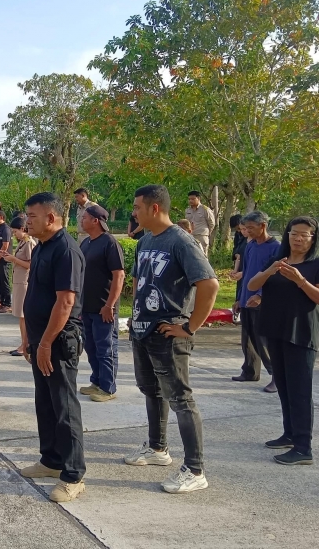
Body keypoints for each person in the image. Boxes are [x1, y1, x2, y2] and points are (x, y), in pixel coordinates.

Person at [124, 185, 218, 494]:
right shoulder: (146, 240)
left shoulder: (181, 241)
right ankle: (157, 448)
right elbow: (139, 279)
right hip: (143, 330)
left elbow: (209, 284)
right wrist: (134, 316)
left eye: (137, 208)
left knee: (181, 400)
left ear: (154, 208)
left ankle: (195, 469)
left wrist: (189, 327)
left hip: (168, 335)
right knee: (152, 391)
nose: (133, 213)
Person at [18, 192, 86, 503]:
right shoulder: (42, 247)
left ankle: (73, 475)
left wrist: (45, 343)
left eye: (32, 216)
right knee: (45, 402)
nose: (27, 221)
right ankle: (51, 460)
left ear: (50, 217)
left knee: (64, 407)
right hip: (40, 339)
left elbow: (66, 302)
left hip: (58, 340)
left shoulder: (66, 250)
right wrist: (30, 339)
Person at [248, 216, 319, 466]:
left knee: (300, 391)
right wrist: (270, 271)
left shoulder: (315, 264)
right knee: (285, 387)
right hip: (275, 329)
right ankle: (289, 434)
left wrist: (300, 281)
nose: (298, 238)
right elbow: (252, 284)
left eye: (304, 234)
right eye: (294, 233)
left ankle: (303, 448)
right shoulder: (278, 260)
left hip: (301, 333)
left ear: (313, 239)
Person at [79, 205, 125, 402]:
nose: (81, 220)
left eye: (84, 217)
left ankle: (108, 388)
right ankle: (96, 381)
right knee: (91, 347)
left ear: (95, 221)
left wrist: (109, 305)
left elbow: (119, 275)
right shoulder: (86, 243)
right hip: (86, 306)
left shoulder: (110, 243)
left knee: (106, 348)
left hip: (104, 307)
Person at [234, 211, 279, 392]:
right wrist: (239, 298)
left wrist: (260, 295)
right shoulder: (250, 245)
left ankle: (277, 376)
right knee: (248, 339)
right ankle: (250, 371)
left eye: (251, 228)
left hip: (262, 301)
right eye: (246, 228)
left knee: (263, 341)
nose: (248, 231)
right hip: (246, 298)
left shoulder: (276, 248)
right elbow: (246, 273)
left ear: (263, 226)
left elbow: (275, 277)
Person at [0, 216, 36, 357]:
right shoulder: (22, 242)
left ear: (22, 228)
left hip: (24, 282)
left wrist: (13, 259)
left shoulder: (29, 243)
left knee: (24, 316)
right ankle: (23, 343)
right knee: (21, 316)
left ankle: (25, 345)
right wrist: (8, 256)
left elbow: (31, 264)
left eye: (15, 231)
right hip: (19, 281)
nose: (14, 235)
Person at [0, 210, 13, 314]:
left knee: (5, 281)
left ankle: (7, 304)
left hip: (4, 260)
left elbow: (5, 246)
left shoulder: (5, 229)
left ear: (1, 217)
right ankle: (2, 302)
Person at [185, 191, 215, 256]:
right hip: (190, 236)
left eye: (193, 199)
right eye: (189, 199)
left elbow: (212, 223)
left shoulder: (205, 209)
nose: (190, 201)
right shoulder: (187, 210)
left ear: (198, 198)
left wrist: (206, 233)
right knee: (191, 255)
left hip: (201, 236)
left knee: (203, 256)